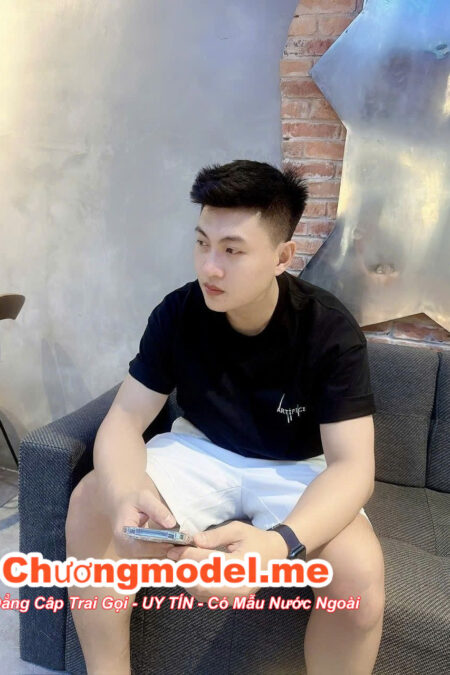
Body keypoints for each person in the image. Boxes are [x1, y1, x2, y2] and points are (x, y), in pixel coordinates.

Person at [66, 159, 385, 675]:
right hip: (199, 447)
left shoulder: (329, 331)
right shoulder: (178, 312)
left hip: (297, 467)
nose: (210, 268)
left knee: (359, 575)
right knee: (90, 502)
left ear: (282, 256)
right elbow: (124, 420)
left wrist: (278, 545)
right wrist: (123, 494)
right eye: (202, 243)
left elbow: (352, 467)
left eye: (232, 251)